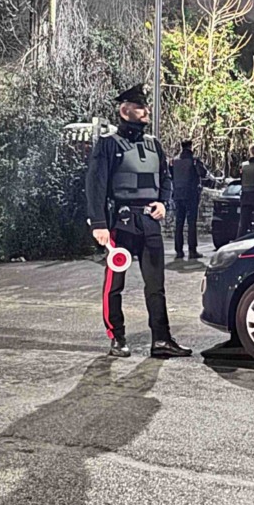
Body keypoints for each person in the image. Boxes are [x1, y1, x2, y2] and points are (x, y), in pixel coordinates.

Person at [85, 84, 192, 359]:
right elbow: (95, 185)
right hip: (120, 222)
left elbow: (165, 179)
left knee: (156, 285)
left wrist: (163, 203)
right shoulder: (108, 145)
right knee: (114, 285)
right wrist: (98, 223)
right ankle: (117, 339)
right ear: (125, 110)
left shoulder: (154, 144)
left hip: (149, 221)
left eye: (146, 105)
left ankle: (162, 340)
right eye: (140, 106)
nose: (146, 110)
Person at [169, 139, 209, 259]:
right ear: (191, 147)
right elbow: (203, 173)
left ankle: (179, 250)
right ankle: (192, 250)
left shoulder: (174, 161)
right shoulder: (194, 161)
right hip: (191, 195)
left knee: (179, 223)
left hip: (178, 195)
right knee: (191, 223)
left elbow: (170, 175)